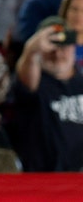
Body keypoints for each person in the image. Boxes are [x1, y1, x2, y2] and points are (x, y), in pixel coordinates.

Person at [10, 16, 83, 171]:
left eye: (63, 47)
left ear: (73, 47)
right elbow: (27, 73)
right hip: (43, 180)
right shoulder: (35, 80)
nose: (58, 55)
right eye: (51, 49)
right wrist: (32, 50)